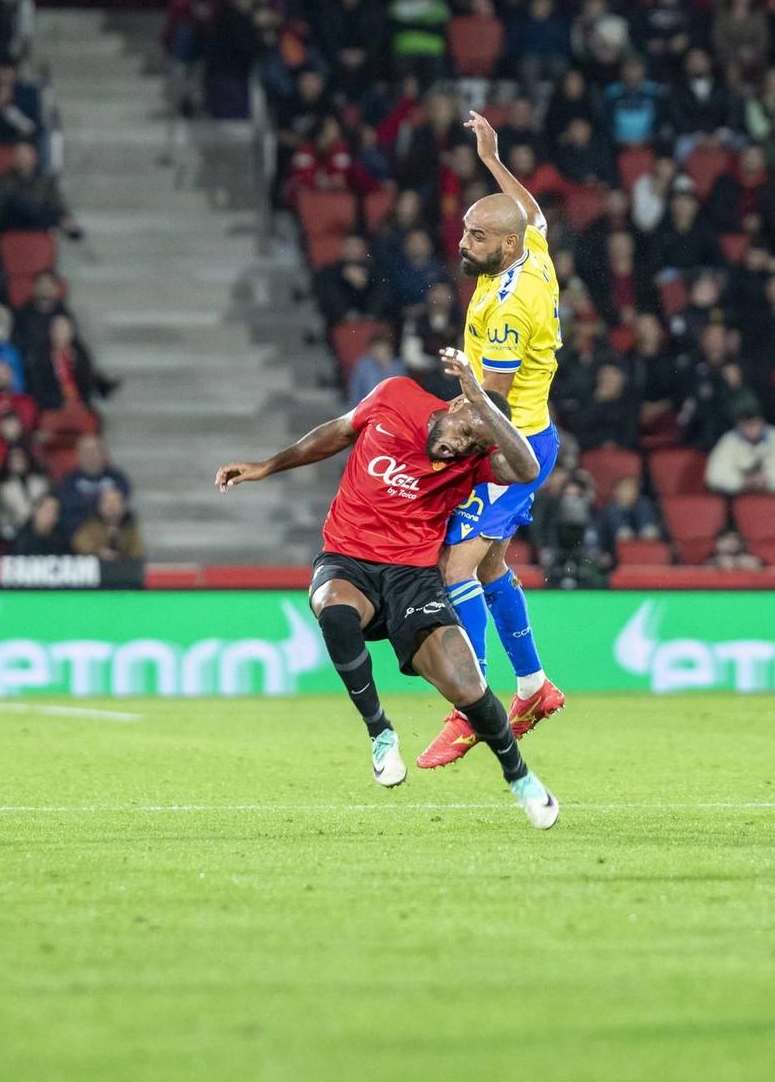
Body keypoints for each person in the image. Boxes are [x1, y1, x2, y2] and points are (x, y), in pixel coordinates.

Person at [216, 350, 556, 827]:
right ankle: (380, 733)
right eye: (464, 431)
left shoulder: (474, 462)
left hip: (413, 578)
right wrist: (267, 466)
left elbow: (524, 469)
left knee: (466, 684)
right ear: (454, 405)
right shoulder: (396, 396)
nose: (458, 448)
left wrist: (482, 400)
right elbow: (336, 432)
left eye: (472, 446)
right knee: (332, 608)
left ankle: (519, 777)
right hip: (347, 558)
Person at [420, 110, 568, 771]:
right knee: (487, 567)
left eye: (478, 235)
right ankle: (534, 687)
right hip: (527, 434)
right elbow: (531, 212)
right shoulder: (529, 248)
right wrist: (491, 156)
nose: (466, 241)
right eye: (465, 229)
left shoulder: (509, 304)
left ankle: (471, 705)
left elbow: (495, 401)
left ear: (503, 248)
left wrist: (447, 424)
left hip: (511, 446)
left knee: (453, 565)